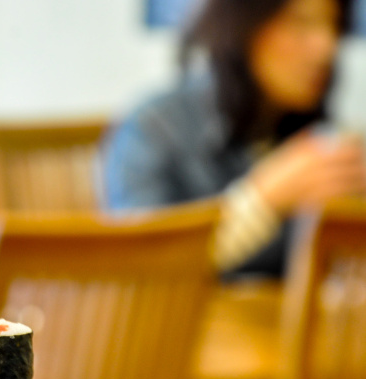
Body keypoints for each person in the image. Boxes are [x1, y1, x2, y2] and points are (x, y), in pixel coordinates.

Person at [104, 0, 366, 277]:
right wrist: (262, 201)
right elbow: (142, 269)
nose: (326, 47)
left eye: (333, 25)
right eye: (301, 23)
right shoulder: (154, 127)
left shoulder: (310, 132)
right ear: (242, 24)